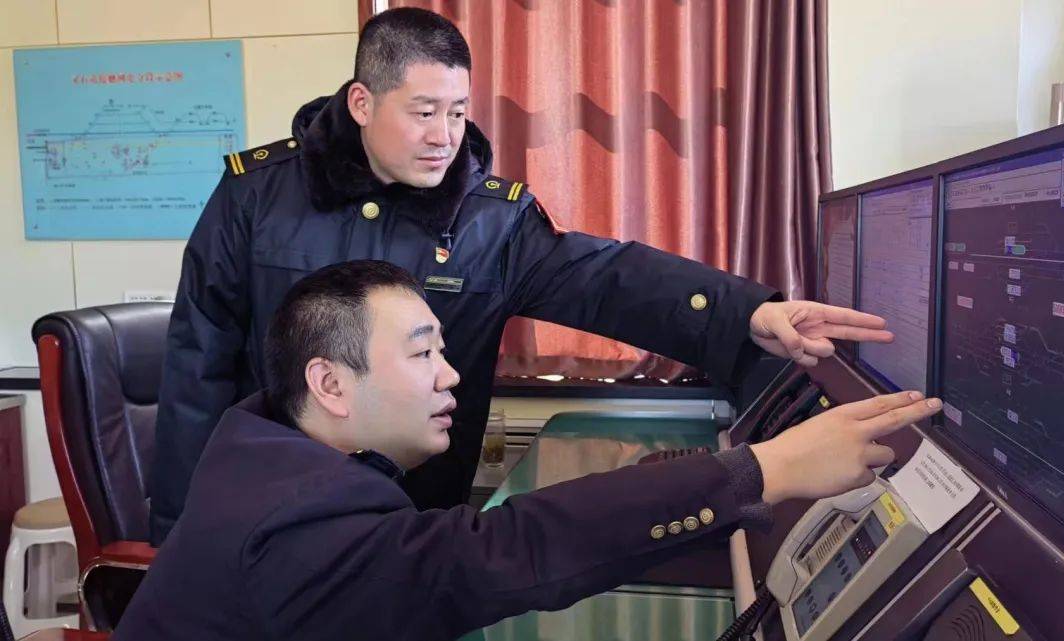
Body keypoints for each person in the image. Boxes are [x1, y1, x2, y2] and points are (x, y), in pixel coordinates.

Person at [149, 7, 894, 544]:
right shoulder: (255, 196)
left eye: (457, 112)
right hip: (266, 518)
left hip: (408, 524)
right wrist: (178, 534)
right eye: (423, 112)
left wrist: (745, 313)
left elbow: (606, 278)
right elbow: (196, 369)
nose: (445, 136)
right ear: (363, 102)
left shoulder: (490, 220)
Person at [116, 261, 941, 641]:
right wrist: (771, 467)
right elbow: (508, 549)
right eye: (422, 353)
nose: (451, 375)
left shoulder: (266, 442)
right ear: (329, 382)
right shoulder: (301, 523)